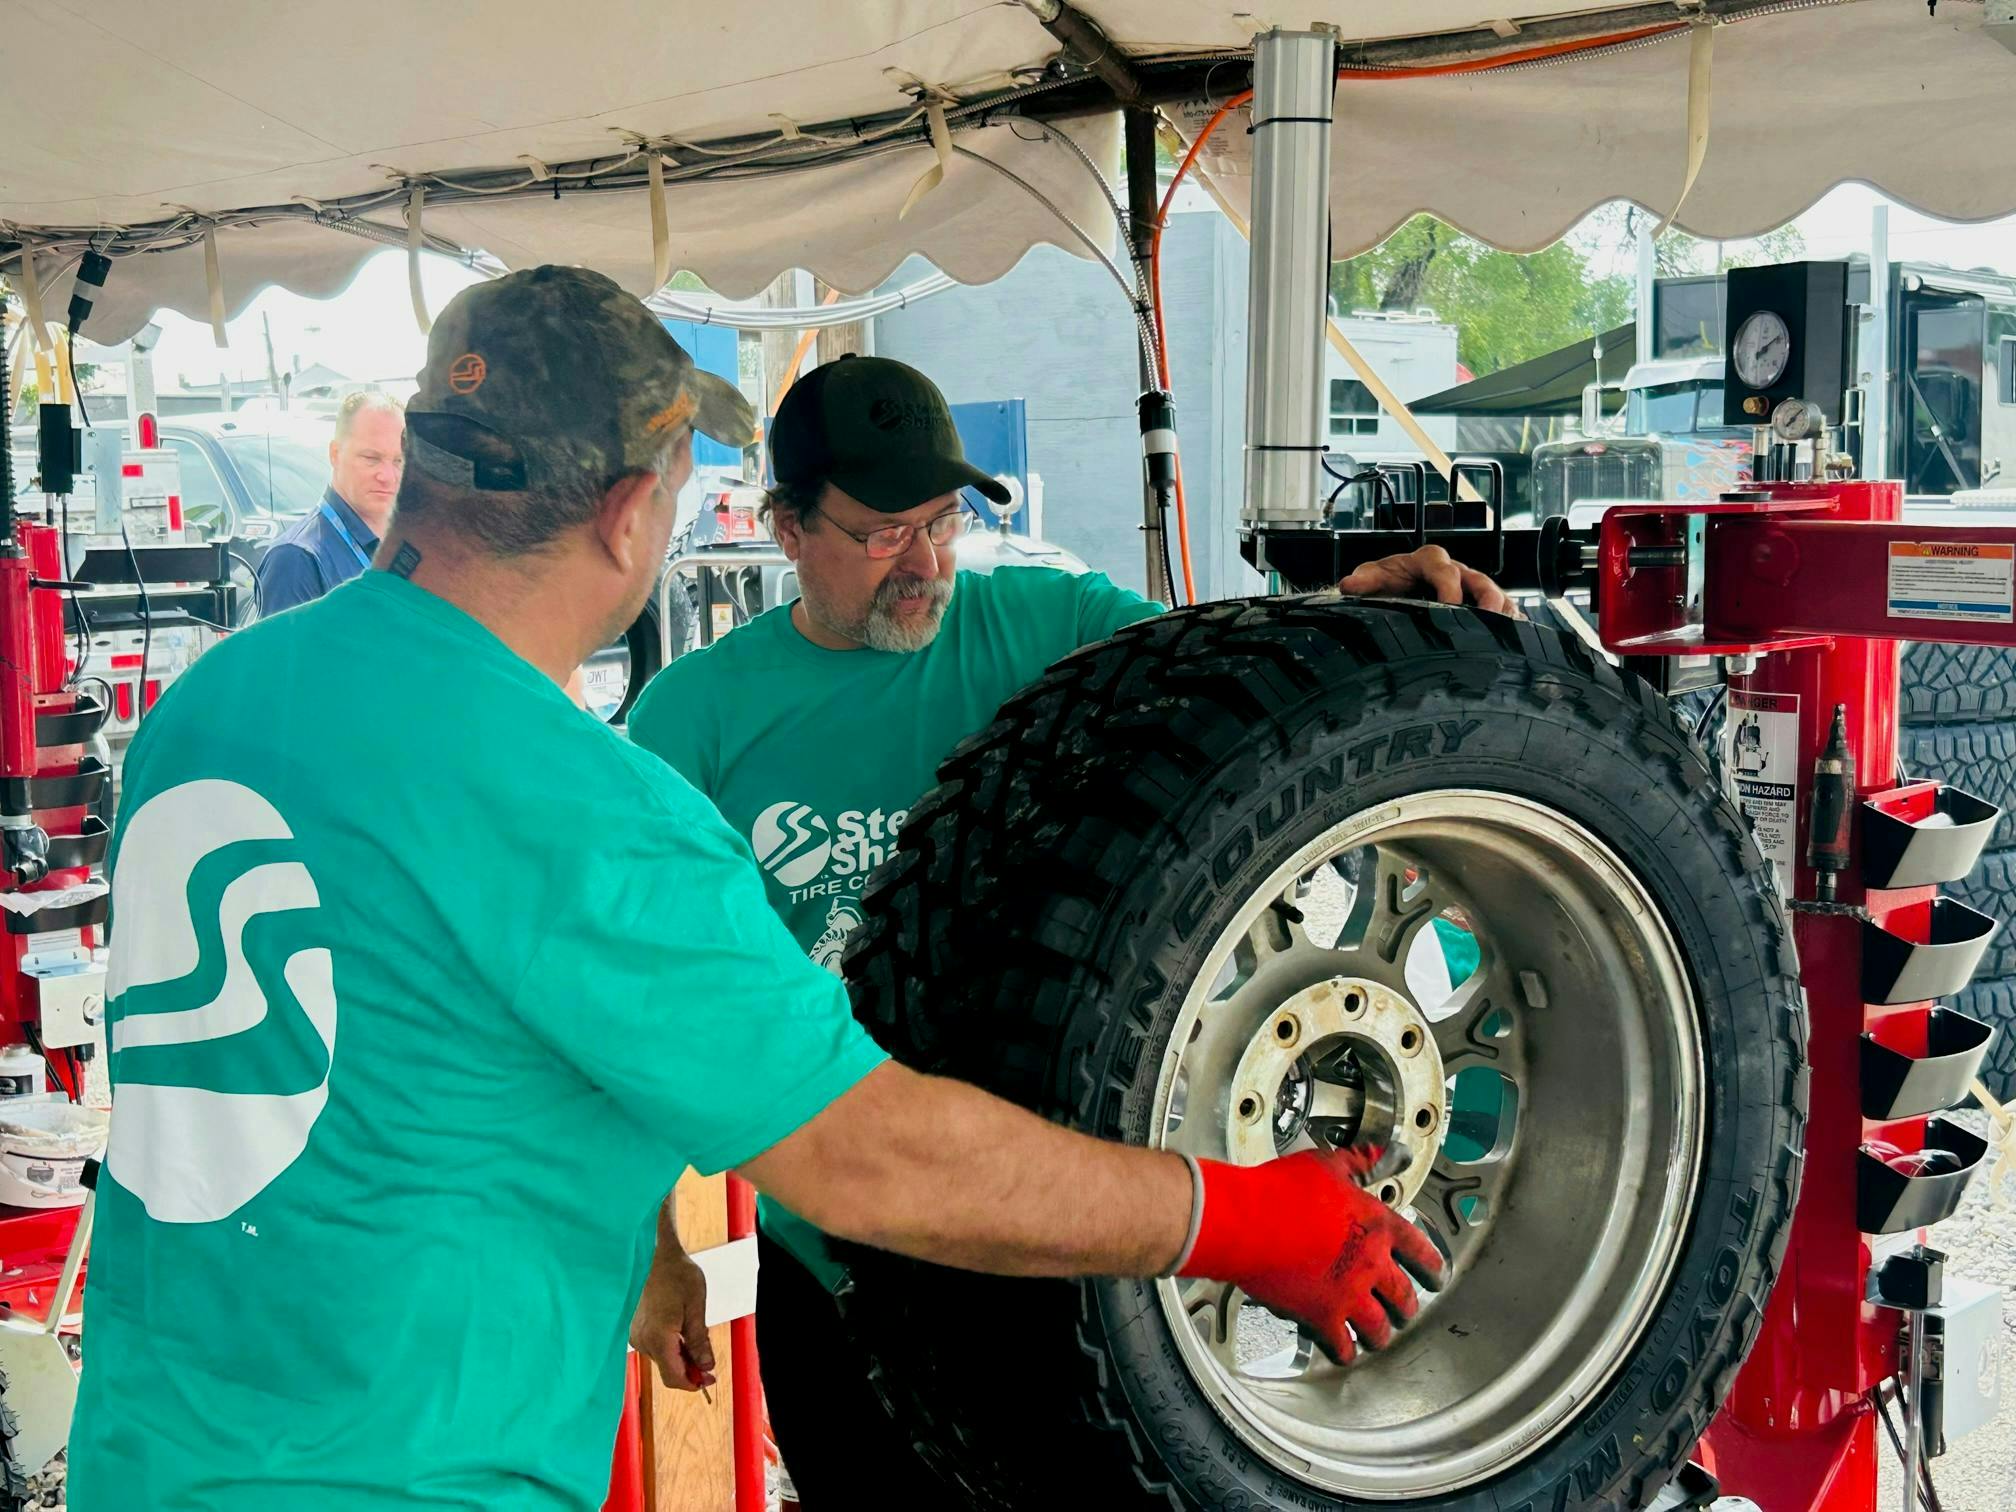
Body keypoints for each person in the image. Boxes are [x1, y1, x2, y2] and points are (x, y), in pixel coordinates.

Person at [67, 268, 1444, 1512]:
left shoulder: (218, 703)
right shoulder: (582, 806)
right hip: (411, 1476)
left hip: (155, 1456)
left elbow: (415, 1059)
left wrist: (1342, 628)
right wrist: (1249, 1216)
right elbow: (863, 1156)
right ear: (628, 516)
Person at [624, 353, 1514, 1503]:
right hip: (835, 1258)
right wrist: (651, 1250)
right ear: (786, 527)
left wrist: (1351, 617)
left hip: (1054, 1223)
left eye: (944, 522)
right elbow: (632, 1010)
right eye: (885, 531)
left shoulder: (1046, 624)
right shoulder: (693, 721)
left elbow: (1235, 689)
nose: (927, 564)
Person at [254, 388, 405, 615]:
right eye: (371, 459)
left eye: (398, 461)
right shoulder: (297, 560)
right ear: (335, 454)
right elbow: (282, 651)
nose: (387, 476)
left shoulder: (409, 548)